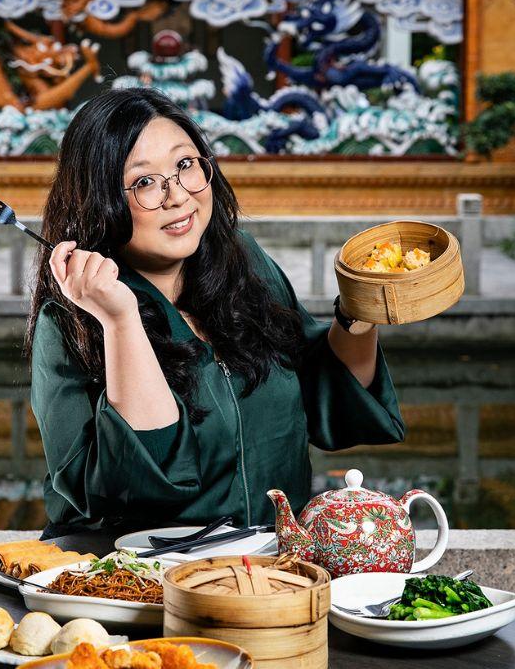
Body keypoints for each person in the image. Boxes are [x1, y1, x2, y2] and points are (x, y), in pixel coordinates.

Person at [26, 88, 405, 539]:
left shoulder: (242, 261)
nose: (177, 196)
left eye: (185, 165)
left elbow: (326, 391)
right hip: (136, 579)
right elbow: (138, 485)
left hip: (271, 572)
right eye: (145, 181)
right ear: (100, 199)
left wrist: (361, 309)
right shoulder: (70, 320)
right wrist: (120, 320)